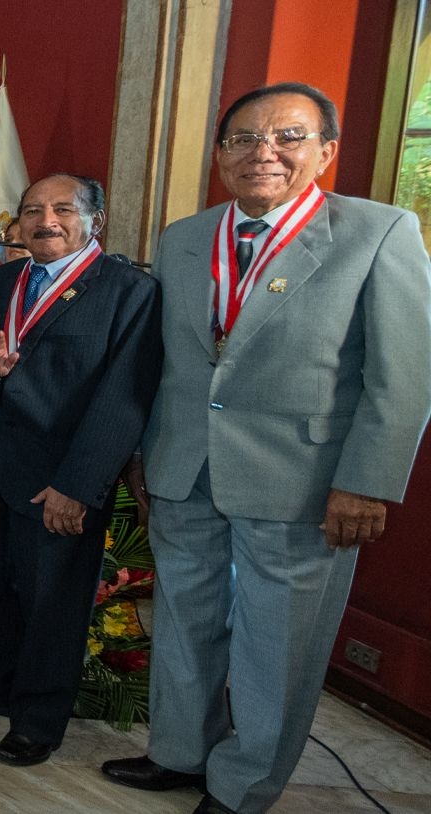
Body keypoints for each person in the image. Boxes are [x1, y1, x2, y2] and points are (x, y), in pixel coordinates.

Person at [102, 82, 431, 814]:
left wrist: (367, 483)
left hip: (306, 480)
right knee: (185, 621)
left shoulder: (378, 232)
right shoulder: (185, 236)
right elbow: (175, 363)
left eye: (287, 136)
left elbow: (403, 375)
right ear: (220, 154)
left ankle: (245, 783)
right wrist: (148, 453)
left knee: (276, 645)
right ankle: (179, 753)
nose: (264, 153)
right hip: (186, 468)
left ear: (327, 151)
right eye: (244, 139)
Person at [0, 174, 162, 766]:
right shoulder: (1, 280)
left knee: (52, 603)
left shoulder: (128, 290)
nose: (46, 221)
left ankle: (37, 720)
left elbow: (124, 397)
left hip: (63, 479)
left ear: (94, 220)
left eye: (63, 209)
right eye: (32, 210)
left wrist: (79, 486)